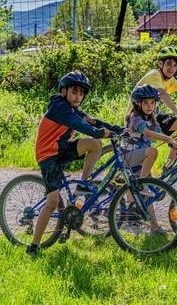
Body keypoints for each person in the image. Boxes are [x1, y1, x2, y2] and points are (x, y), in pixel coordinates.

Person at [27, 71, 119, 256]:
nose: (78, 96)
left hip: (61, 148)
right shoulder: (59, 107)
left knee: (95, 145)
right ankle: (34, 245)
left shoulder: (73, 110)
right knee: (52, 201)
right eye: (74, 92)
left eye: (81, 93)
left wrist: (118, 129)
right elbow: (81, 125)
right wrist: (99, 132)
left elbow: (93, 121)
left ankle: (82, 185)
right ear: (63, 91)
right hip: (48, 156)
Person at [123, 84, 177, 232]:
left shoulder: (151, 118)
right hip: (129, 156)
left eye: (152, 102)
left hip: (141, 159)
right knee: (152, 152)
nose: (150, 106)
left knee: (147, 195)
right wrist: (170, 141)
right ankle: (141, 183)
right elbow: (149, 134)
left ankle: (154, 227)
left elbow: (161, 134)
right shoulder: (135, 118)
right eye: (146, 103)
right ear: (138, 103)